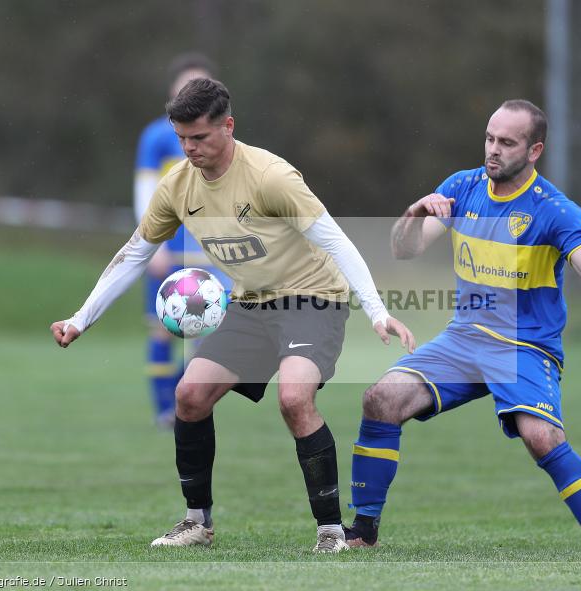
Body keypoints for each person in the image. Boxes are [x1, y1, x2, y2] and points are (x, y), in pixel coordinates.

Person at [51, 78, 415, 553]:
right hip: (250, 303)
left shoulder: (270, 176)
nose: (189, 148)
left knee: (293, 398)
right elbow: (136, 253)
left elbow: (335, 241)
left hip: (312, 299)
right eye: (181, 138)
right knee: (190, 395)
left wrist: (376, 310)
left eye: (199, 137)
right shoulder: (178, 187)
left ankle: (330, 531)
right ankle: (196, 522)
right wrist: (81, 318)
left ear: (228, 126)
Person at [344, 100, 581, 557]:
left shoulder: (555, 210)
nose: (492, 150)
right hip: (464, 338)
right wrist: (416, 212)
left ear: (534, 150)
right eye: (489, 138)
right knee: (380, 398)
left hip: (526, 346)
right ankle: (362, 529)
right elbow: (404, 249)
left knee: (541, 437)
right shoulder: (462, 188)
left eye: (506, 142)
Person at [134, 53, 231, 429]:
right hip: (170, 247)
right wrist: (152, 245)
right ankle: (162, 407)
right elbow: (144, 191)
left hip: (209, 250)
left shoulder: (219, 135)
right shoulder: (157, 136)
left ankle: (184, 402)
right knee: (164, 327)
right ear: (173, 93)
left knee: (204, 331)